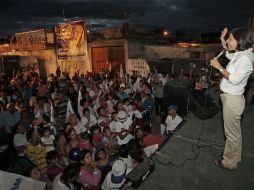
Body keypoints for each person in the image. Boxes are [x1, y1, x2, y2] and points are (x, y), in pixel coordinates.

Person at [210, 27, 254, 169]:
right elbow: (230, 55)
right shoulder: (243, 53)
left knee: (231, 135)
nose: (228, 41)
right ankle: (235, 157)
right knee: (235, 133)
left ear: (240, 40)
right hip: (231, 99)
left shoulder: (246, 59)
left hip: (232, 100)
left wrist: (219, 68)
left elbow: (234, 79)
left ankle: (229, 163)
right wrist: (223, 40)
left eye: (231, 38)